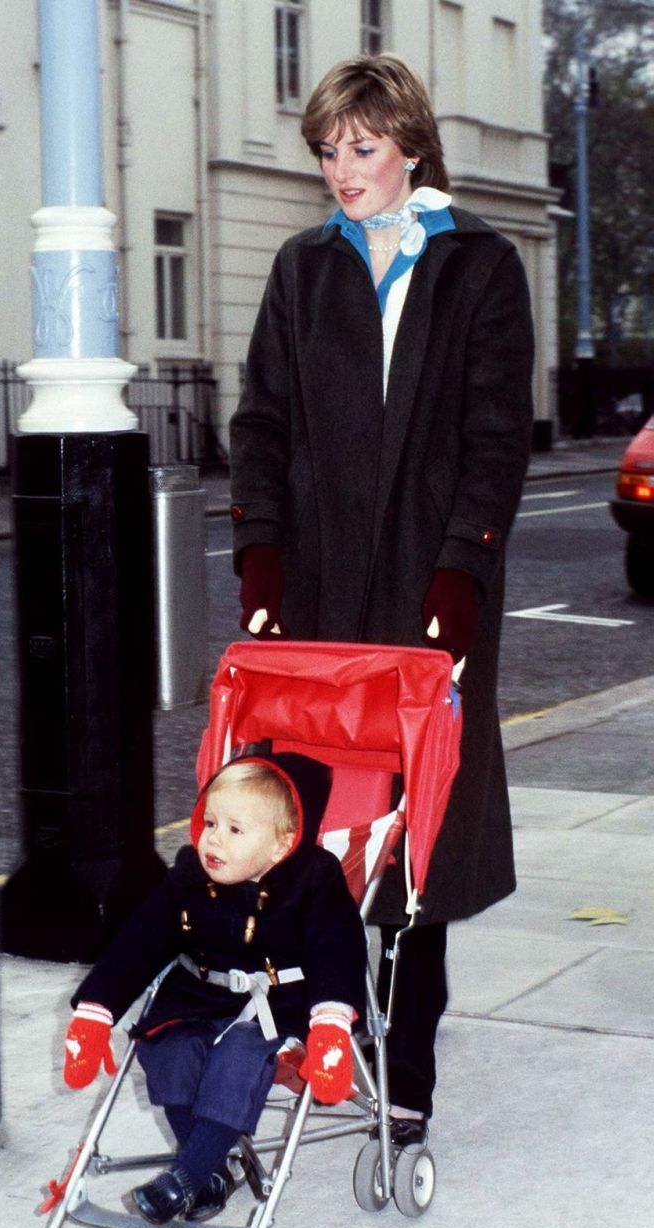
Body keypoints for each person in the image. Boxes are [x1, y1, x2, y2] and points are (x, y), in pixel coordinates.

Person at [229, 54, 534, 1146]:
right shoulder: (302, 269)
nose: (340, 170)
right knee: (313, 823)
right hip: (314, 601)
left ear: (409, 144)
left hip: (429, 594)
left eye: (361, 148)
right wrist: (260, 549)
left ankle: (406, 1071)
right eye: (327, 151)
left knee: (417, 842)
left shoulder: (480, 266)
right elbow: (261, 423)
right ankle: (317, 1033)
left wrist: (465, 565)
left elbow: (497, 436)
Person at [63, 752, 367, 1224]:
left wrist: (330, 1021)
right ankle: (207, 1174)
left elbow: (339, 948)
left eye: (234, 830)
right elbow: (142, 939)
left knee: (237, 1061)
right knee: (166, 1050)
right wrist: (97, 1009)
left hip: (275, 1006)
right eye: (210, 822)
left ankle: (185, 1179)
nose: (214, 840)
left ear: (280, 844)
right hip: (197, 995)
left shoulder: (314, 879)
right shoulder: (189, 875)